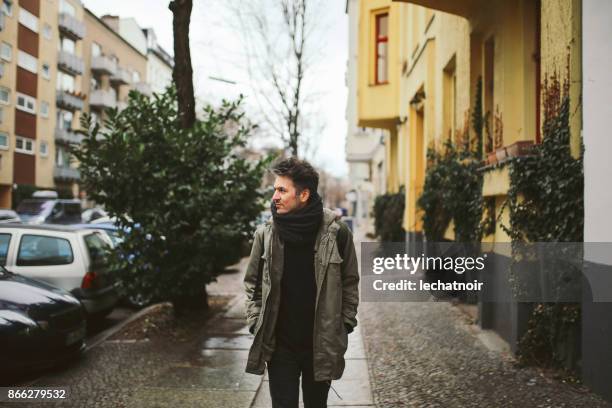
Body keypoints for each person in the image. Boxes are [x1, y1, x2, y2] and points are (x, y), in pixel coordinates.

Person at [244, 157, 359, 408]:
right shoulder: (266, 234)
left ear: (304, 194)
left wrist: (344, 323)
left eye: (282, 190)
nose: (275, 196)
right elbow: (252, 284)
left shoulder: (337, 233)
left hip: (320, 344)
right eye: (275, 189)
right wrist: (256, 322)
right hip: (280, 346)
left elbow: (350, 282)